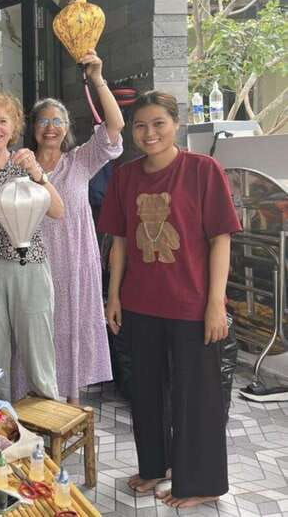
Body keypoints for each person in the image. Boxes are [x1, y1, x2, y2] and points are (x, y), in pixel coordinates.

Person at [98, 90, 240, 508]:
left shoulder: (203, 170)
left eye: (158, 123)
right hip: (141, 304)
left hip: (192, 305)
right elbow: (119, 242)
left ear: (175, 124)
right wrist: (114, 297)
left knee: (196, 396)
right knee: (145, 393)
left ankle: (203, 482)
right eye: (140, 125)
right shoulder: (125, 177)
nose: (149, 133)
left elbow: (221, 240)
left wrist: (216, 304)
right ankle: (154, 467)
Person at [29, 50, 125, 404]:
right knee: (38, 337)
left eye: (58, 120)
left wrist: (98, 78)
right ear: (34, 128)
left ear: (67, 129)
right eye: (43, 120)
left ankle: (70, 413)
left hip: (76, 265)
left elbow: (114, 128)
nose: (51, 126)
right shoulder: (20, 164)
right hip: (34, 267)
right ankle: (38, 409)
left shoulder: (80, 161)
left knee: (72, 336)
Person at [0, 93, 65, 402]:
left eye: (3, 121)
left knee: (38, 350)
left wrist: (38, 173)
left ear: (15, 126)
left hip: (28, 267)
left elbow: (58, 211)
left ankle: (46, 432)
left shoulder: (26, 165)